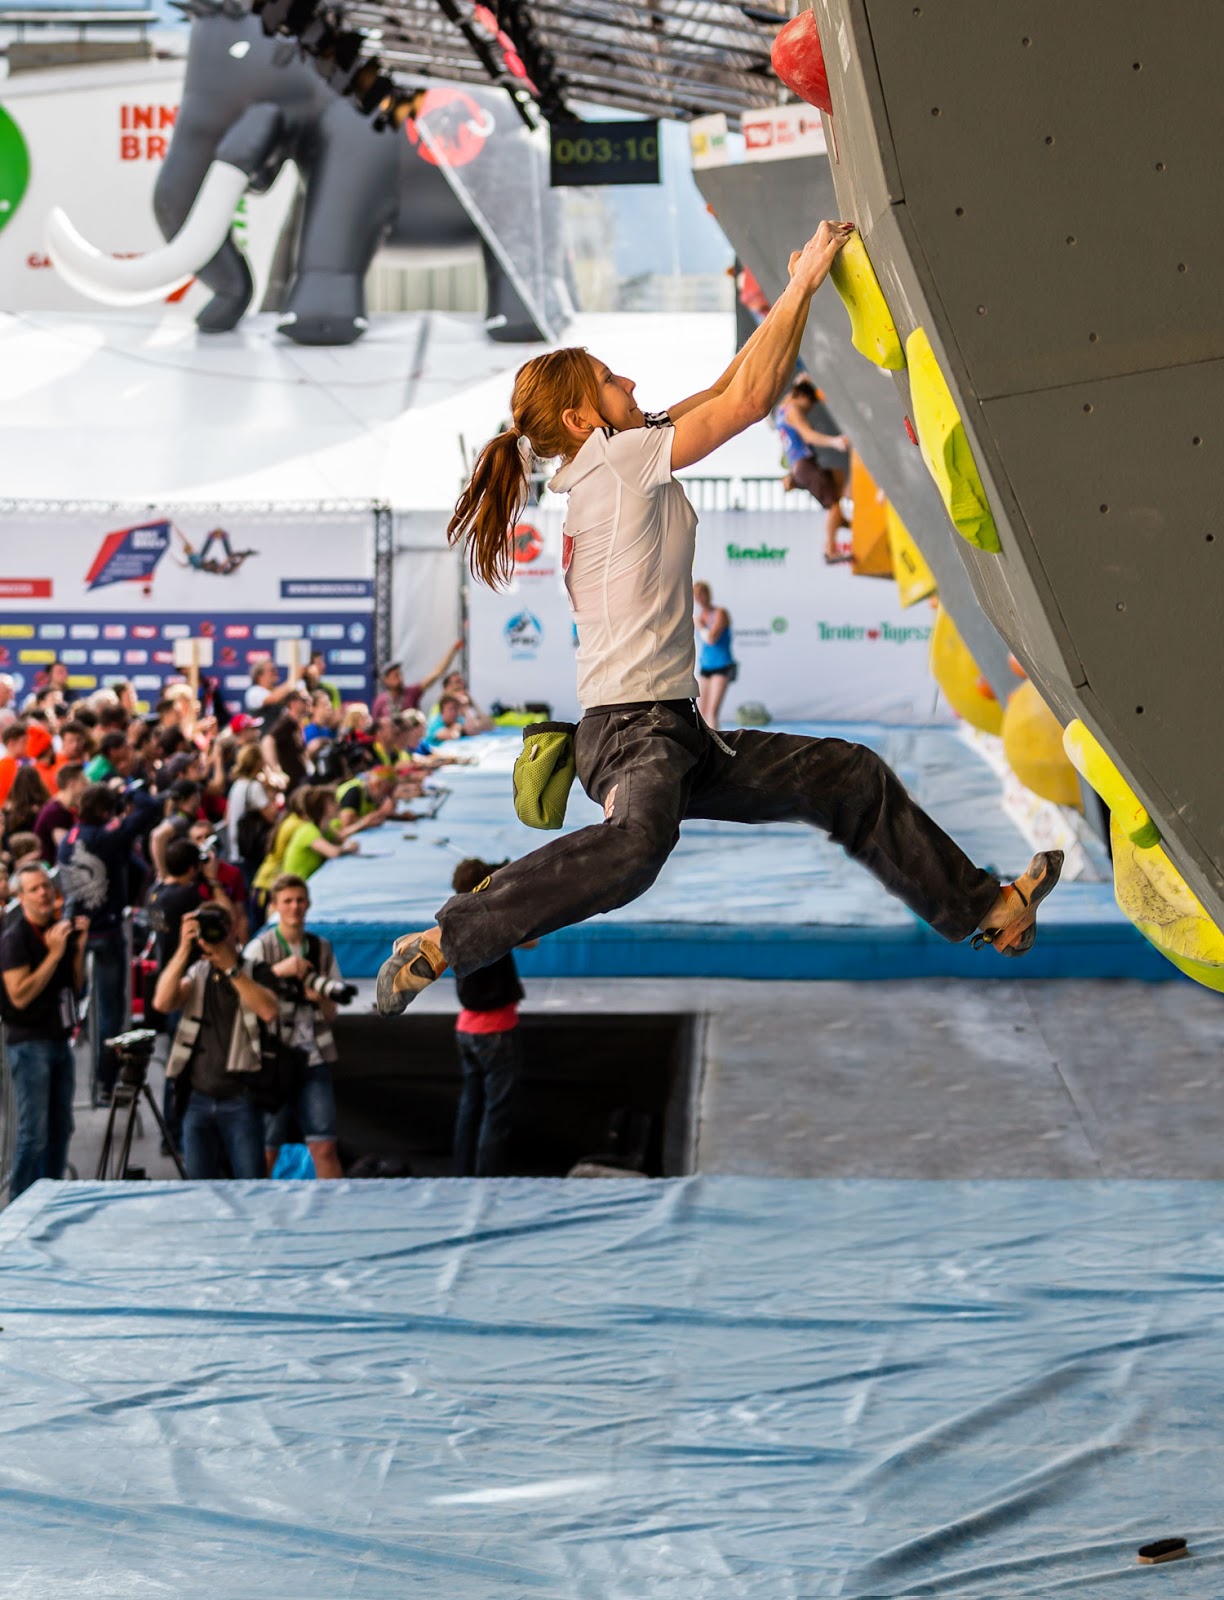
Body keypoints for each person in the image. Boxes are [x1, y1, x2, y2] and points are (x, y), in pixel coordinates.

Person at [374, 222, 1063, 1016]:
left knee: (851, 775)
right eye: (609, 380)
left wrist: (787, 297)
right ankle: (443, 940)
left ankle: (983, 907)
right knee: (635, 849)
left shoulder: (618, 454)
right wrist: (801, 284)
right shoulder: (615, 463)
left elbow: (728, 383)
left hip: (672, 731)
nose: (628, 380)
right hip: (637, 732)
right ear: (579, 423)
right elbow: (749, 400)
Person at [153, 904, 278, 1180]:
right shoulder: (197, 972)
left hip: (241, 1099)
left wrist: (231, 968)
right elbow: (162, 1002)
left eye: (218, 928)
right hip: (197, 1099)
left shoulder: (255, 971)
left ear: (232, 930)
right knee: (199, 1190)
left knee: (252, 1185)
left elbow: (268, 1010)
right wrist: (184, 948)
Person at [58, 781, 160, 1099]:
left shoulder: (70, 838)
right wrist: (129, 791)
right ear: (105, 811)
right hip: (104, 934)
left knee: (86, 1007)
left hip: (80, 933)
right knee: (109, 1011)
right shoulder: (105, 837)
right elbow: (151, 809)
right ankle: (106, 1080)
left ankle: (98, 1078)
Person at [245, 874, 347, 1179]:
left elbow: (331, 1015)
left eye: (300, 900)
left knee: (325, 1147)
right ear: (275, 906)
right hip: (271, 1061)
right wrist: (278, 973)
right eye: (287, 901)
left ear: (309, 904)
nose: (295, 907)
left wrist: (319, 999)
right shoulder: (258, 949)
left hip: (312, 1057)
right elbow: (242, 1000)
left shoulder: (321, 948)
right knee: (266, 1149)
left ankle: (337, 1215)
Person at [1, 861, 89, 1198]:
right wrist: (53, 955)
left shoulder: (59, 930)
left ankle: (51, 1199)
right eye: (35, 888)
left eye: (46, 887)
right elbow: (19, 995)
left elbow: (76, 985)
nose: (43, 893)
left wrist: (76, 951)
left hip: (59, 1040)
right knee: (33, 1134)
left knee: (61, 1128)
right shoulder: (14, 939)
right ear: (20, 897)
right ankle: (20, 1206)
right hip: (28, 1043)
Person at [448, 858, 535, 1177]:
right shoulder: (493, 921)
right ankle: (486, 1181)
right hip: (495, 1031)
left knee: (470, 1107)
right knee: (495, 1113)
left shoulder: (453, 919)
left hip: (466, 1029)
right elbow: (532, 939)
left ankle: (461, 1175)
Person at [778, 377, 852, 562]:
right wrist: (834, 442)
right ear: (802, 397)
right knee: (834, 503)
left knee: (838, 476)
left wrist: (799, 381)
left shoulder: (784, 406)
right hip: (804, 466)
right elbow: (808, 436)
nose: (809, 409)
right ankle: (830, 550)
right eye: (809, 404)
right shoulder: (794, 410)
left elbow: (794, 391)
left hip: (799, 468)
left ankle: (839, 521)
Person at [371, 640, 463, 722]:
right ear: (386, 680)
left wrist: (453, 649)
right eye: (395, 675)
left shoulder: (411, 693)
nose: (400, 678)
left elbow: (436, 673)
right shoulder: (380, 701)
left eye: (400, 674)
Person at [282, 786, 358, 881]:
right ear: (321, 807)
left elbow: (340, 838)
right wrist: (349, 847)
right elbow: (333, 852)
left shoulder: (325, 828)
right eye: (333, 802)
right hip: (296, 885)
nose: (338, 804)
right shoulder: (308, 830)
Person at [692, 581, 737, 730]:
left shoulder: (719, 613)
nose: (699, 598)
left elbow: (711, 639)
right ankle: (704, 746)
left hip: (722, 666)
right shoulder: (700, 615)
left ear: (708, 594)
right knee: (702, 712)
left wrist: (699, 625)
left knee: (712, 712)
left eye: (701, 593)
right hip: (706, 666)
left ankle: (716, 749)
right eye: (696, 595)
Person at [33, 763, 86, 865]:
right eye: (83, 782)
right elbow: (67, 847)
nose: (86, 786)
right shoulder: (55, 812)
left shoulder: (62, 808)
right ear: (71, 784)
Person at [261, 690, 311, 794]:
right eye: (304, 700)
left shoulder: (295, 723)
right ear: (293, 703)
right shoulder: (285, 722)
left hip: (298, 780)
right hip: (289, 783)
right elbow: (267, 740)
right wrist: (276, 769)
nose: (308, 703)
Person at [244, 660, 297, 726]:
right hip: (262, 735)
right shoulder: (254, 692)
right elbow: (273, 698)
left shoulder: (277, 691)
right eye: (272, 670)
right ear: (260, 676)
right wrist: (294, 677)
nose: (276, 672)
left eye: (275, 669)